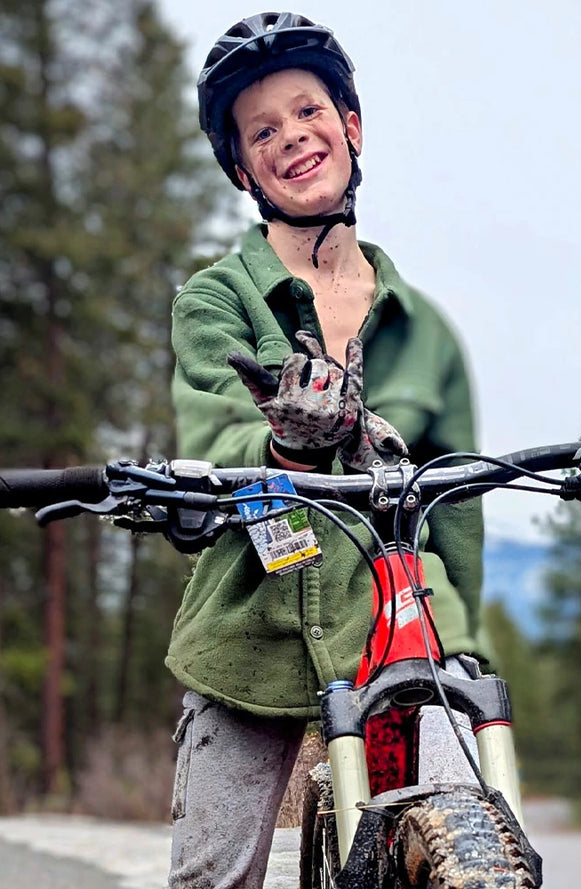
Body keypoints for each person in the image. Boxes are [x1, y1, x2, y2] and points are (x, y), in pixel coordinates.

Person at [165, 12, 488, 888]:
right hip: (251, 629)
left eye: (308, 112)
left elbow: (456, 506)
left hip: (402, 634)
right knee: (211, 877)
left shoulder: (424, 334)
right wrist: (282, 437)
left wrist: (464, 650)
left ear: (350, 126)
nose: (292, 138)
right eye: (262, 130)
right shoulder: (215, 300)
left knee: (474, 844)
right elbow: (209, 435)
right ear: (242, 167)